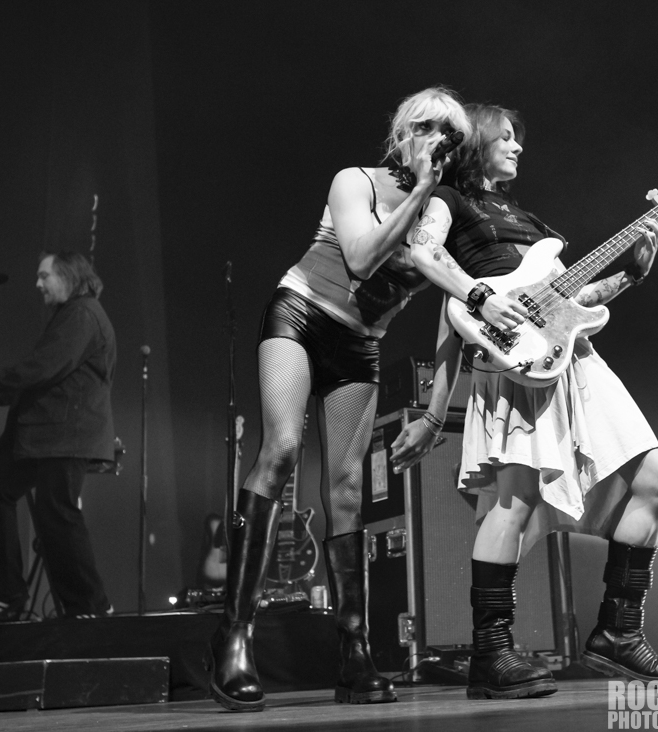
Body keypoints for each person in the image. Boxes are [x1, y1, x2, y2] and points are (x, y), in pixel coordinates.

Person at [211, 87, 528, 713]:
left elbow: (456, 307)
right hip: (301, 313)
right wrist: (416, 194)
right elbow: (359, 256)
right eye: (428, 127)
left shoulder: (445, 211)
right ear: (404, 132)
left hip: (361, 343)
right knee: (280, 449)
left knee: (349, 488)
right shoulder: (354, 181)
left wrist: (437, 412)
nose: (439, 139)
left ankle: (354, 649)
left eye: (451, 133)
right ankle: (234, 636)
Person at [389, 103, 658, 699]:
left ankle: (617, 635)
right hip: (513, 365)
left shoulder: (531, 220)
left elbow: (574, 301)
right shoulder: (449, 199)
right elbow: (431, 267)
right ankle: (490, 655)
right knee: (515, 500)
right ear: (476, 143)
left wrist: (631, 275)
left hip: (570, 358)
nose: (518, 146)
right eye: (506, 137)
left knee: (656, 479)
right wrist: (432, 408)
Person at [0, 250, 116, 622]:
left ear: (68, 275)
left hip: (64, 436)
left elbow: (44, 367)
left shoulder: (82, 314)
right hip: (42, 436)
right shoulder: (72, 315)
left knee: (56, 514)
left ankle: (91, 608)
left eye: (44, 275)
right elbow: (43, 373)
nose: (37, 284)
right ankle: (8, 595)